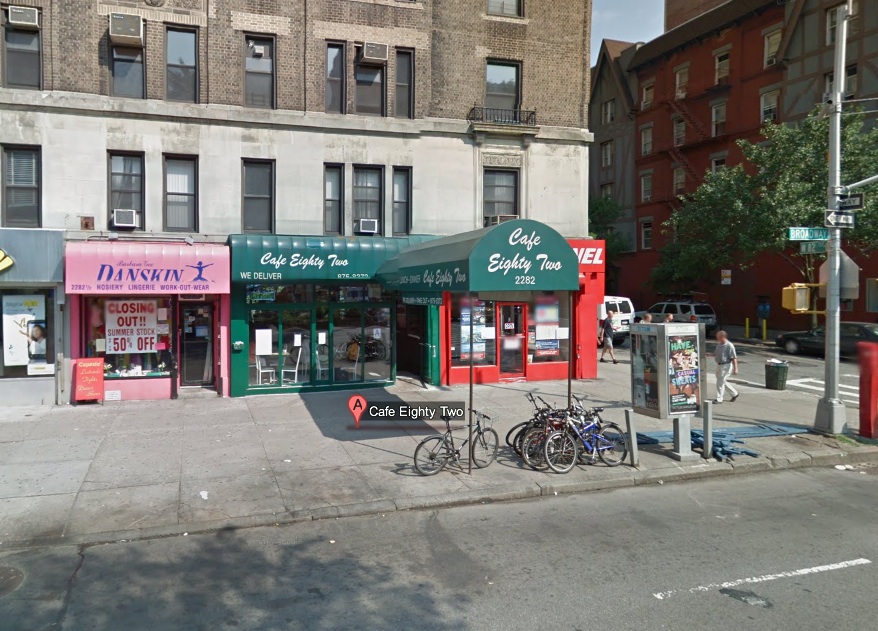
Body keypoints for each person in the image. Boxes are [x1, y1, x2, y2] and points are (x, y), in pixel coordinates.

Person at [714, 330, 739, 403]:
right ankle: (734, 393)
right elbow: (716, 354)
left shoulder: (729, 346)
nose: (717, 338)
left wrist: (735, 368)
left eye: (718, 337)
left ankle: (719, 398)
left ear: (723, 337)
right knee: (722, 381)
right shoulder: (719, 345)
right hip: (719, 365)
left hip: (726, 365)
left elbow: (734, 357)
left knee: (720, 381)